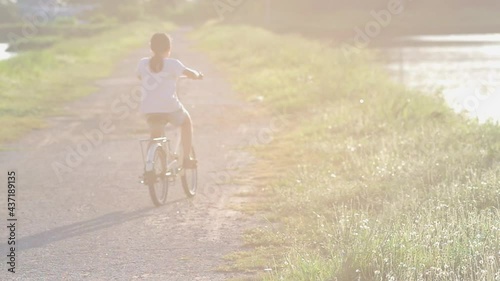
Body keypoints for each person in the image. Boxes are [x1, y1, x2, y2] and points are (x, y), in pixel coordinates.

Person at [136, 32, 203, 169]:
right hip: (170, 108)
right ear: (168, 49)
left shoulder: (142, 63)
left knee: (154, 137)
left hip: (148, 109)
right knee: (186, 122)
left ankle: (150, 168)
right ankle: (186, 158)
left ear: (152, 48)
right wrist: (197, 75)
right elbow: (190, 73)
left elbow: (139, 77)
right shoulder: (173, 64)